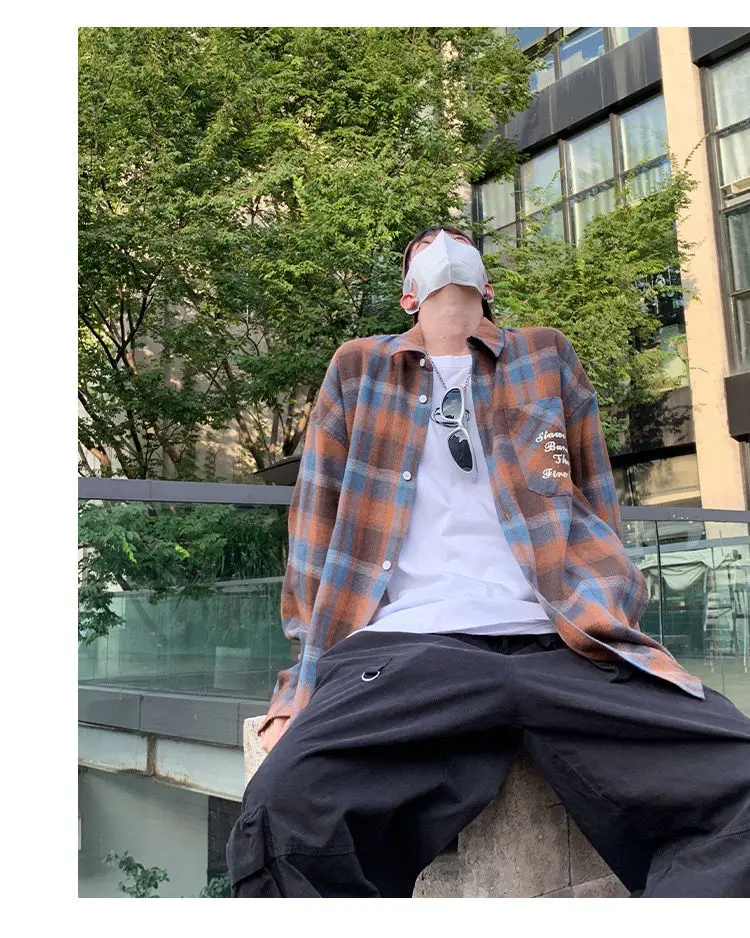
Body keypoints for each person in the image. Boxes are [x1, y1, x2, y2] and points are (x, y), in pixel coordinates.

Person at [227, 226, 750, 898]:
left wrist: (610, 618)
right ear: (408, 295)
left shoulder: (545, 354)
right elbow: (313, 528)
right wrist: (299, 684)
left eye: (458, 240)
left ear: (487, 286)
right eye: (427, 246)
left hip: (561, 642)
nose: (445, 243)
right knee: (280, 820)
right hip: (410, 648)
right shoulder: (358, 367)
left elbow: (597, 502)